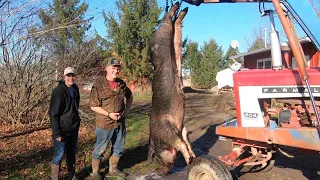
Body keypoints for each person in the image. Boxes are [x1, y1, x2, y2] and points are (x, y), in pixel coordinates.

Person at [89, 58, 133, 180]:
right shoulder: (98, 85)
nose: (116, 71)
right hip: (105, 123)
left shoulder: (122, 84)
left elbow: (130, 97)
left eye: (118, 68)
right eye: (113, 68)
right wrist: (109, 114)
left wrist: (127, 111)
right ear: (107, 69)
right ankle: (96, 172)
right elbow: (93, 106)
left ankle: (113, 169)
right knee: (100, 148)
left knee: (118, 147)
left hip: (120, 122)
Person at [49, 67, 81, 180]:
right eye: (68, 76)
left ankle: (72, 176)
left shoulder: (75, 89)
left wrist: (77, 122)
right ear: (64, 77)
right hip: (62, 130)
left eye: (73, 75)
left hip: (73, 128)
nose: (71, 78)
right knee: (59, 154)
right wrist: (57, 133)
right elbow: (53, 114)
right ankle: (54, 177)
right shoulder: (58, 91)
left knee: (71, 153)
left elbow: (75, 108)